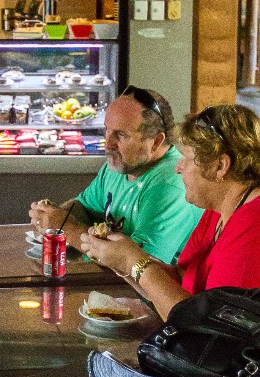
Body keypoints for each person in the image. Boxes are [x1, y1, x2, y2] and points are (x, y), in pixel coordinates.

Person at [79, 103, 260, 367]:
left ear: (221, 166)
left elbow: (214, 338)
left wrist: (137, 263)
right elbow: (187, 292)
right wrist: (126, 263)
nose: (178, 168)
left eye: (187, 158)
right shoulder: (223, 205)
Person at [29, 86, 201, 265]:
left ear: (156, 141)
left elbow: (138, 266)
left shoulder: (171, 185)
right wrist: (54, 215)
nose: (108, 144)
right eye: (107, 130)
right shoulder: (121, 166)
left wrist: (65, 227)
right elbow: (85, 207)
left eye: (121, 135)